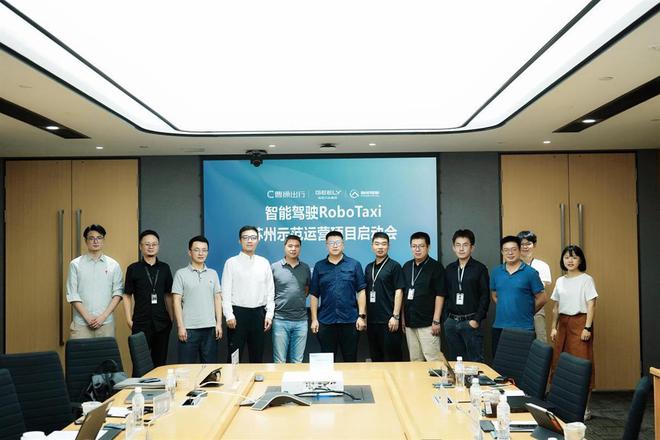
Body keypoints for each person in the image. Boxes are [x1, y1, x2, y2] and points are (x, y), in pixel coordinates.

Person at [310, 231, 367, 362]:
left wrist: (361, 316)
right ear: (326, 245)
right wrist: (314, 319)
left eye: (338, 242)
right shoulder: (319, 266)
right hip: (326, 321)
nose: (335, 245)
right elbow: (314, 294)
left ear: (343, 244)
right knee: (327, 361)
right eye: (331, 243)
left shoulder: (354, 264)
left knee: (350, 359)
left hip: (350, 321)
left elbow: (361, 291)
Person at [222, 226, 275, 363]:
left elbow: (270, 291)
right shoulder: (231, 263)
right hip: (238, 314)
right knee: (234, 356)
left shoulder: (264, 263)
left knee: (257, 356)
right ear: (240, 241)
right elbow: (225, 292)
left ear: (258, 240)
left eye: (253, 238)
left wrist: (269, 314)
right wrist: (229, 315)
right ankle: (232, 378)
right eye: (245, 238)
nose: (249, 241)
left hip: (259, 314)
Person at [123, 230, 174, 367]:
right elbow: (127, 295)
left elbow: (168, 294)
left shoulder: (165, 268)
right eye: (147, 244)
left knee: (160, 364)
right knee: (139, 365)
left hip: (162, 323)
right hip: (140, 323)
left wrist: (171, 318)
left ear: (158, 246)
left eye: (154, 244)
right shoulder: (133, 268)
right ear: (140, 246)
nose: (151, 247)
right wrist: (129, 319)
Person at [550, 245, 597, 389]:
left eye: (574, 257)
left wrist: (587, 328)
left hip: (580, 323)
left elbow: (591, 305)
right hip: (563, 324)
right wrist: (553, 327)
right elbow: (556, 307)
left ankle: (583, 401)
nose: (570, 261)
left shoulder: (586, 279)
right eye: (566, 257)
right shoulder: (560, 281)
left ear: (580, 260)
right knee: (559, 360)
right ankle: (562, 398)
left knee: (581, 361)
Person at [490, 236, 546, 355]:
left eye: (513, 249)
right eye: (506, 250)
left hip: (524, 327)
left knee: (522, 363)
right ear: (502, 252)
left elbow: (542, 298)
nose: (510, 253)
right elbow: (495, 295)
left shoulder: (531, 273)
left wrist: (527, 311)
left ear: (520, 250)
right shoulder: (496, 272)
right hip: (500, 326)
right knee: (500, 363)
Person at [66, 224, 123, 338]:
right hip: (81, 323)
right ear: (86, 241)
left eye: (99, 237)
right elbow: (72, 294)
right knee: (79, 350)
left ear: (103, 240)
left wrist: (103, 317)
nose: (95, 241)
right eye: (91, 238)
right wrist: (87, 317)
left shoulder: (113, 265)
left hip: (106, 323)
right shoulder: (75, 264)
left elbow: (118, 293)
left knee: (106, 351)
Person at [172, 235, 223, 363]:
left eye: (204, 250)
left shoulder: (213, 273)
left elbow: (217, 299)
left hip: (210, 329)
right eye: (197, 250)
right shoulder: (181, 274)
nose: (201, 253)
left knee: (210, 369)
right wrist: (180, 326)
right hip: (189, 329)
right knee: (186, 368)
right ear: (189, 252)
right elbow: (176, 301)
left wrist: (218, 323)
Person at [443, 229, 490, 362]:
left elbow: (485, 296)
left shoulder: (479, 268)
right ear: (453, 247)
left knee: (474, 362)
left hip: (470, 322)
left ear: (472, 247)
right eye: (458, 245)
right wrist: (446, 319)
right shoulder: (450, 269)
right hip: (451, 322)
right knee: (455, 362)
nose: (461, 248)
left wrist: (476, 320)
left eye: (465, 245)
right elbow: (445, 294)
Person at [401, 232, 446, 362]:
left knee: (433, 360)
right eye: (414, 246)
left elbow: (440, 295)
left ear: (428, 247)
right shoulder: (407, 266)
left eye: (421, 246)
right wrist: (403, 319)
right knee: (415, 360)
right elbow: (404, 294)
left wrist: (436, 321)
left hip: (428, 323)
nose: (417, 249)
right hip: (410, 322)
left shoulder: (436, 267)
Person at [364, 232, 405, 362]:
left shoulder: (394, 266)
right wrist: (364, 316)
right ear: (372, 246)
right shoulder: (368, 267)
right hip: (372, 322)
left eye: (383, 244)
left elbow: (399, 291)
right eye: (377, 244)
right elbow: (365, 293)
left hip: (389, 321)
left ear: (388, 246)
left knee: (392, 359)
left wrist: (396, 316)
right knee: (376, 359)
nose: (380, 247)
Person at [271, 235, 311, 363]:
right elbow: (270, 292)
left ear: (300, 248)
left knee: (297, 361)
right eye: (290, 246)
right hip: (280, 320)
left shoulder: (305, 268)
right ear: (285, 247)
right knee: (279, 361)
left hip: (301, 321)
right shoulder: (275, 267)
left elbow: (306, 290)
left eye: (296, 246)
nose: (293, 249)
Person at [518, 230, 552, 342]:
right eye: (522, 244)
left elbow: (540, 290)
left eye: (528, 243)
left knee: (540, 339)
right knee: (518, 341)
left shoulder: (542, 265)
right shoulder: (512, 265)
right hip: (517, 309)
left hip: (537, 307)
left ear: (534, 244)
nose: (525, 247)